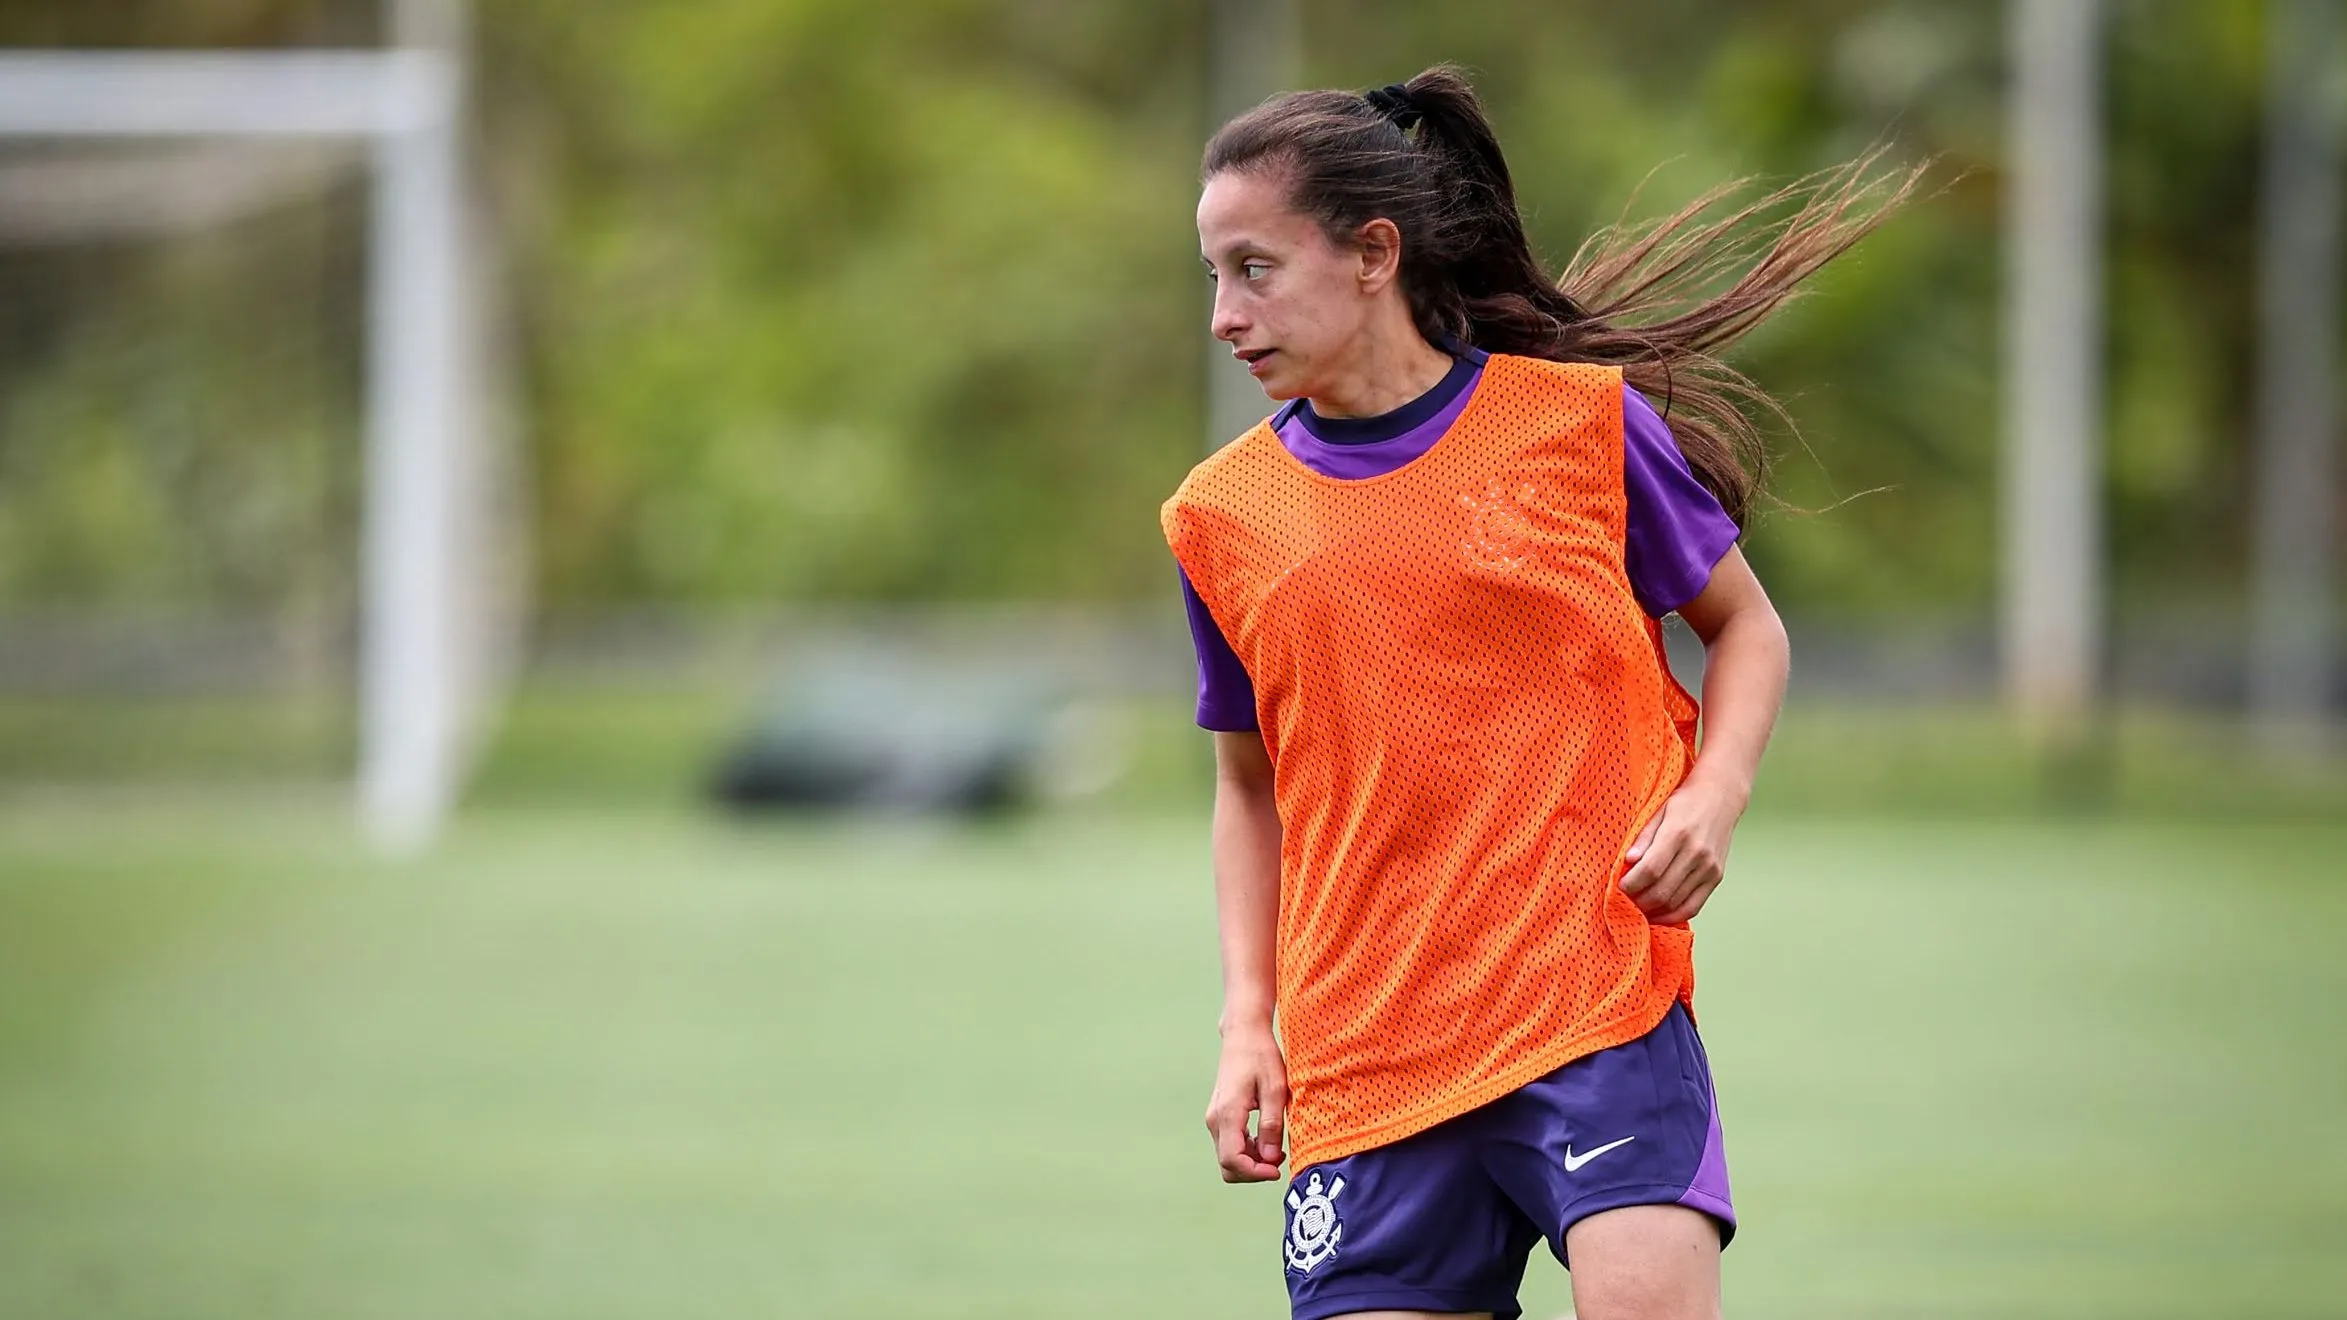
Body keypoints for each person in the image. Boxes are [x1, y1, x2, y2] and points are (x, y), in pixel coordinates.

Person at [1160, 66, 1917, 1320]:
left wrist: (1711, 800)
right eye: (1211, 275)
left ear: (1372, 255)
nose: (1224, 316)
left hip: (1592, 1004)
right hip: (1367, 1045)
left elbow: (1748, 630)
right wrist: (1251, 1023)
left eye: (1254, 268)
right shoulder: (1217, 517)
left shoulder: (1578, 426)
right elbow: (1250, 787)